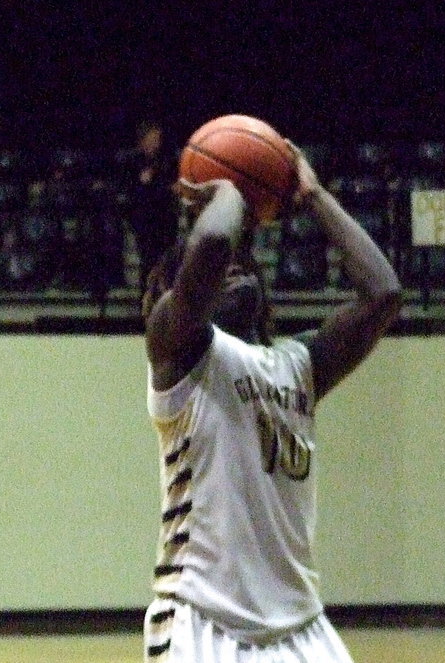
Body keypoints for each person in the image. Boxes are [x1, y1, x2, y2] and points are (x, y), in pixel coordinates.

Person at [139, 140, 401, 662]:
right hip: (202, 622)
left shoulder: (297, 366)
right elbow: (213, 242)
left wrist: (314, 195)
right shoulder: (180, 356)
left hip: (302, 625)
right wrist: (230, 187)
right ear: (177, 295)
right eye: (219, 268)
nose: (234, 267)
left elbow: (383, 294)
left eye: (246, 262)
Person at [123, 120, 181, 290]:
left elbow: (173, 184)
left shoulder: (166, 159)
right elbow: (132, 190)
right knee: (148, 262)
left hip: (165, 216)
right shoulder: (134, 161)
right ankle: (146, 300)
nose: (155, 143)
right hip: (145, 219)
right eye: (152, 139)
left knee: (168, 261)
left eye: (157, 139)